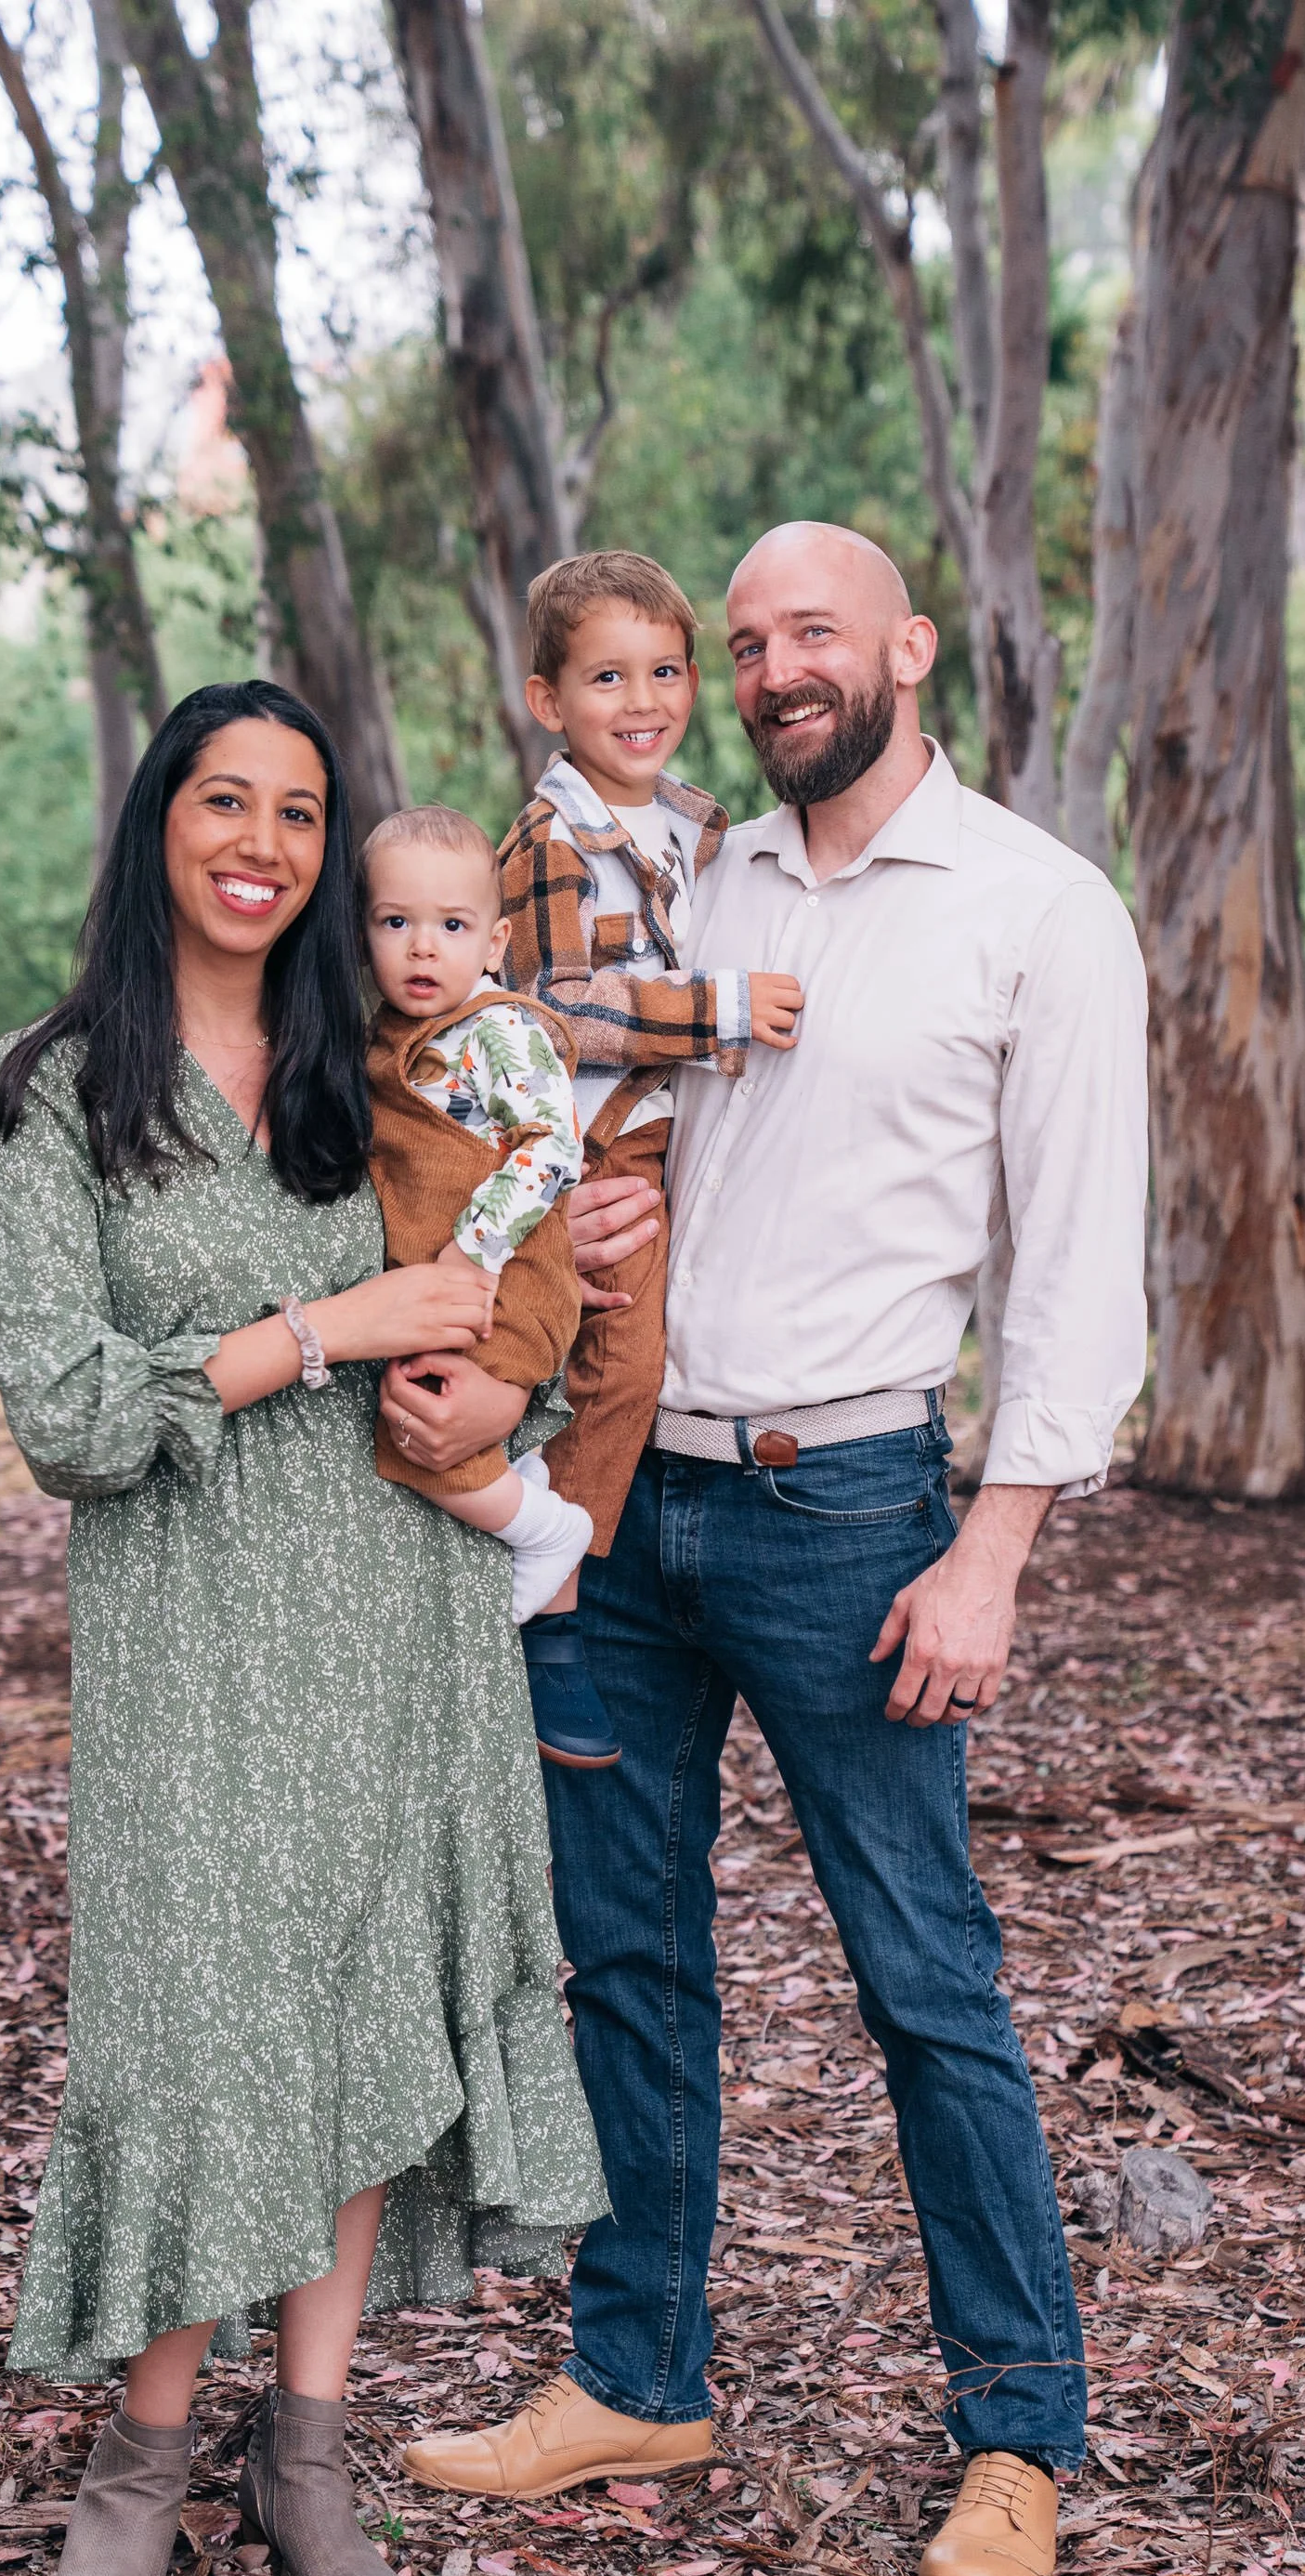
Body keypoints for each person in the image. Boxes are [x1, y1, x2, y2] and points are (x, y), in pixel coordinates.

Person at [393, 525, 1150, 2576]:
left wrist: (993, 1548)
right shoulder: (691, 874)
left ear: (907, 646)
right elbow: (614, 1123)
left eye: (810, 631)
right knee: (623, 1965)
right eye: (742, 645)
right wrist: (593, 1240)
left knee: (928, 1982)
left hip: (852, 1514)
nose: (769, 668)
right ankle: (637, 2372)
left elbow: (1082, 1259)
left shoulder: (1031, 909)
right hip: (629, 1503)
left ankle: (1016, 2431)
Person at [0, 682, 607, 2576]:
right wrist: (314, 1331)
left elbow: (523, 1281)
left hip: (393, 1611)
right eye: (225, 801)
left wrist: (551, 1294)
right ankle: (139, 2465)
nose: (263, 842)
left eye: (302, 814)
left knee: (357, 2025)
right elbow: (66, 1414)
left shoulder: (393, 1068)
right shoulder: (65, 1085)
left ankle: (307, 2453)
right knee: (189, 2032)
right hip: (189, 1633)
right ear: (161, 819)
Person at [495, 551, 805, 1769]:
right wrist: (717, 1010)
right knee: (612, 1368)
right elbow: (555, 1004)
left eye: (665, 670)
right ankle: (553, 1617)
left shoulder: (685, 824)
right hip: (586, 1129)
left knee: (598, 1360)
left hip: (657, 1125)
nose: (641, 699)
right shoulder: (546, 841)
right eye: (606, 677)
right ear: (546, 702)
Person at [362, 804, 592, 1620]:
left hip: (508, 1272)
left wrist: (474, 1250)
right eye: (396, 921)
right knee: (441, 1415)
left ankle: (545, 1533)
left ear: (494, 944)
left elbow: (552, 1149)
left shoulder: (499, 1030)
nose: (423, 945)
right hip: (440, 1280)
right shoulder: (384, 1039)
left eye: (452, 924)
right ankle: (523, 1508)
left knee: (424, 1425)